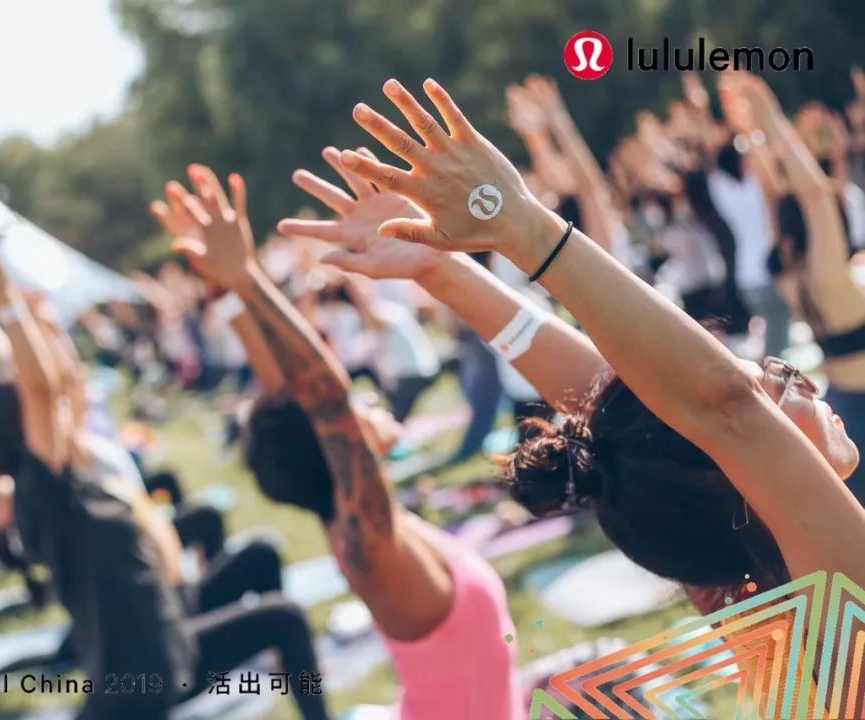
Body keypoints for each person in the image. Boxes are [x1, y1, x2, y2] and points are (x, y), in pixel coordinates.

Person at [330, 75, 865, 701]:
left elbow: (621, 413)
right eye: (775, 385)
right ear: (746, 475)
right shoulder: (845, 610)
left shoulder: (741, 587)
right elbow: (722, 407)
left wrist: (442, 274)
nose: (795, 380)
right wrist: (525, 228)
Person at [158, 163, 522, 720]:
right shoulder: (372, 547)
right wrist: (249, 276)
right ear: (333, 445)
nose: (364, 402)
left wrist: (226, 289)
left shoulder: (357, 527)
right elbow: (322, 394)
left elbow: (290, 392)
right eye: (353, 408)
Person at [0, 215, 329, 720]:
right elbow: (39, 391)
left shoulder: (67, 475)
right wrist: (1, 302)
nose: (64, 407)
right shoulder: (44, 490)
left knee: (283, 615)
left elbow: (56, 384)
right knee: (285, 619)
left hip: (172, 649)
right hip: (143, 684)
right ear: (24, 426)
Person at [718, 75, 865, 506]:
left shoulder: (793, 275)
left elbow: (777, 196)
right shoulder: (829, 273)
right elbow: (815, 194)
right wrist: (769, 114)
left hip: (845, 410)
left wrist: (752, 132)